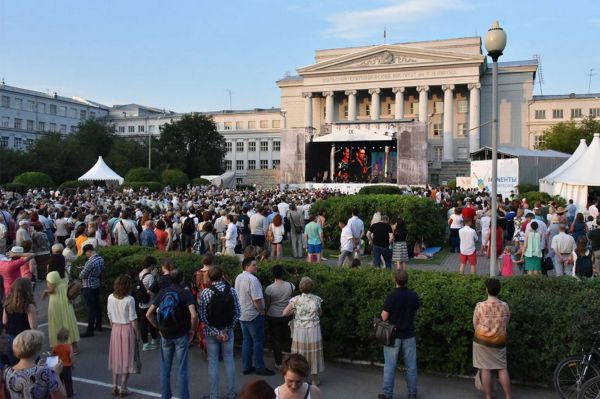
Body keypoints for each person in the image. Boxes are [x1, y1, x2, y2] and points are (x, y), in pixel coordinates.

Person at [146, 269, 198, 399]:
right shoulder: (185, 293)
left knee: (165, 368)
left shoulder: (163, 292)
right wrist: (192, 330)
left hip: (166, 333)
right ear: (182, 278)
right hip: (181, 333)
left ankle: (165, 396)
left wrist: (158, 328)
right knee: (182, 369)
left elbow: (148, 314)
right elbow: (194, 315)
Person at [199, 266, 241, 399]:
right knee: (229, 360)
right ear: (222, 275)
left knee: (213, 362)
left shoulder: (205, 293)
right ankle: (231, 393)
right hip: (227, 331)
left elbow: (203, 316)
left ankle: (214, 395)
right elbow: (238, 312)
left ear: (209, 278)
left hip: (212, 333)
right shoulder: (232, 291)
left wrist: (216, 332)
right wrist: (227, 329)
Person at [378, 270, 420, 399]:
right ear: (407, 280)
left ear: (395, 280)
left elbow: (384, 317)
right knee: (411, 366)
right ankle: (412, 394)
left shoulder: (392, 296)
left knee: (390, 366)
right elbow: (416, 310)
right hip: (409, 334)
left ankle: (387, 394)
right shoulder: (414, 295)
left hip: (393, 336)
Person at [235, 257, 275, 376]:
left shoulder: (238, 277)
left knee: (246, 340)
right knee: (258, 341)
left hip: (242, 314)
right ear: (246, 266)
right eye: (254, 265)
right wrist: (262, 311)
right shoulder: (253, 280)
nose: (256, 266)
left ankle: (246, 366)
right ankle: (259, 367)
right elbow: (257, 299)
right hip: (253, 315)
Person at [472, 278, 512, 399]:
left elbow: (475, 324)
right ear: (499, 290)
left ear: (487, 290)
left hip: (481, 341)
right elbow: (506, 322)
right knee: (502, 368)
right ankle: (508, 396)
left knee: (485, 368)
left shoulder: (480, 306)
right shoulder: (505, 306)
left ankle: (488, 396)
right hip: (499, 341)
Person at [283, 277, 324, 386]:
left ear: (300, 287)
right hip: (313, 329)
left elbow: (285, 313)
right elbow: (320, 313)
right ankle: (315, 381)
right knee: (314, 353)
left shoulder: (295, 300)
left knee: (300, 354)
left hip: (300, 330)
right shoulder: (316, 299)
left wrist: (295, 311)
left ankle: (300, 379)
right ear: (311, 287)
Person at [4, 330, 66, 399]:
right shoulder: (46, 372)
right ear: (37, 348)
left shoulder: (7, 372)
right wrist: (56, 375)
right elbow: (61, 397)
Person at [107, 275, 141, 397]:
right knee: (127, 359)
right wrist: (137, 334)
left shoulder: (110, 297)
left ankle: (114, 385)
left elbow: (109, 315)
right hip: (127, 330)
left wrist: (114, 328)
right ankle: (123, 388)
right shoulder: (129, 299)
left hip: (115, 329)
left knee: (116, 358)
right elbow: (133, 318)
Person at [43, 255, 79, 354]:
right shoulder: (65, 272)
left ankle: (57, 348)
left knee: (56, 323)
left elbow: (51, 290)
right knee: (69, 321)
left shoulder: (51, 275)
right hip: (66, 300)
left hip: (56, 302)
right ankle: (74, 347)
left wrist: (45, 292)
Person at [265, 265, 295, 368]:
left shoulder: (269, 288)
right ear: (283, 273)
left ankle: (278, 362)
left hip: (273, 315)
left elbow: (268, 303)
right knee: (289, 337)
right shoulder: (291, 285)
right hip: (288, 314)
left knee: (276, 340)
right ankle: (292, 360)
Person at [3, 278, 37, 366]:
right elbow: (33, 327)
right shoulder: (29, 307)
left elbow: (4, 322)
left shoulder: (7, 304)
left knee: (13, 366)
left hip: (10, 339)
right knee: (28, 365)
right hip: (24, 339)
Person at [80, 244, 104, 337]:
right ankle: (99, 325)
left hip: (88, 286)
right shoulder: (100, 259)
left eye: (86, 253)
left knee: (90, 309)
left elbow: (82, 276)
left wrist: (81, 270)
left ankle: (90, 330)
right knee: (97, 306)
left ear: (89, 251)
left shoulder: (89, 262)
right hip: (96, 284)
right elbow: (101, 270)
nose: (86, 255)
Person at [137, 256, 159, 351]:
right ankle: (154, 340)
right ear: (151, 266)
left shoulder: (140, 274)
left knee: (143, 323)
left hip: (141, 303)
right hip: (150, 303)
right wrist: (154, 277)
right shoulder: (150, 276)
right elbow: (152, 290)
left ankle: (145, 343)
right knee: (151, 321)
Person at [52, 329, 74, 398]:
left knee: (59, 380)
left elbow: (53, 355)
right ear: (67, 338)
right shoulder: (68, 347)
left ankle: (60, 392)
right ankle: (69, 393)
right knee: (68, 381)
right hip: (67, 366)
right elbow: (71, 356)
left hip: (59, 366)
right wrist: (72, 364)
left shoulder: (55, 347)